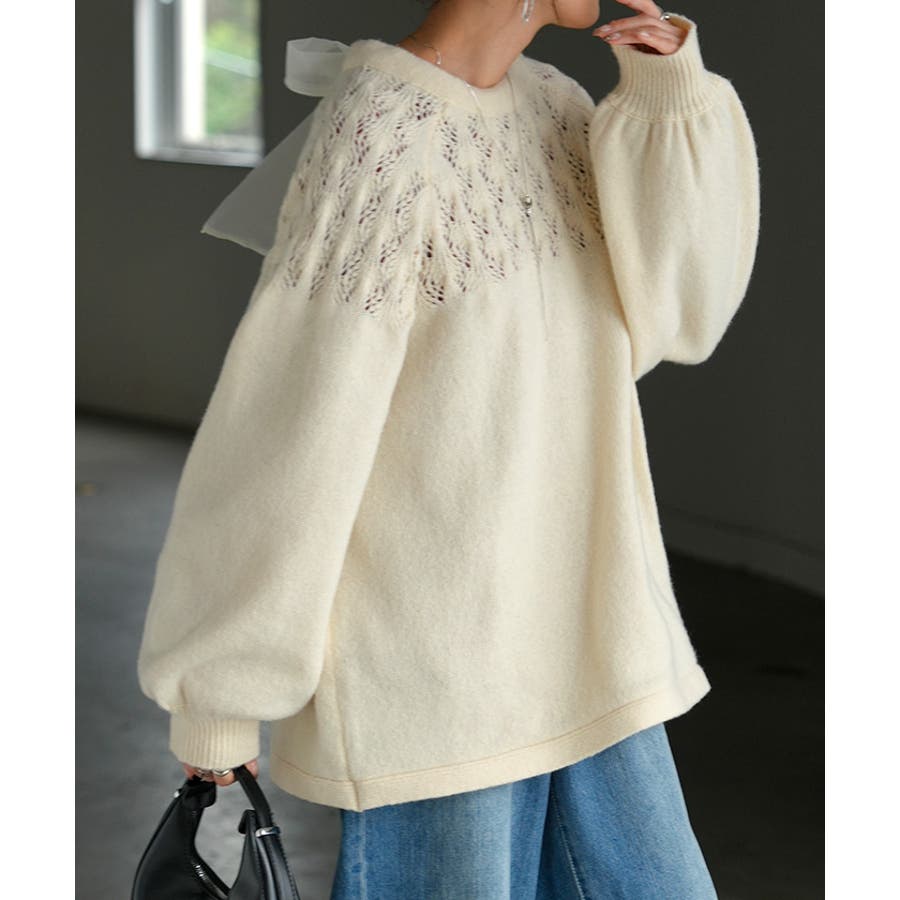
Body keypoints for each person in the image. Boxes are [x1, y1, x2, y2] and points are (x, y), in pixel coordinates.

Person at [137, 0, 759, 895]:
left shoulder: (552, 103)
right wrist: (219, 696)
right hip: (436, 691)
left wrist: (668, 101)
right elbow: (286, 435)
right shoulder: (382, 134)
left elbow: (680, 316)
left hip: (597, 651)